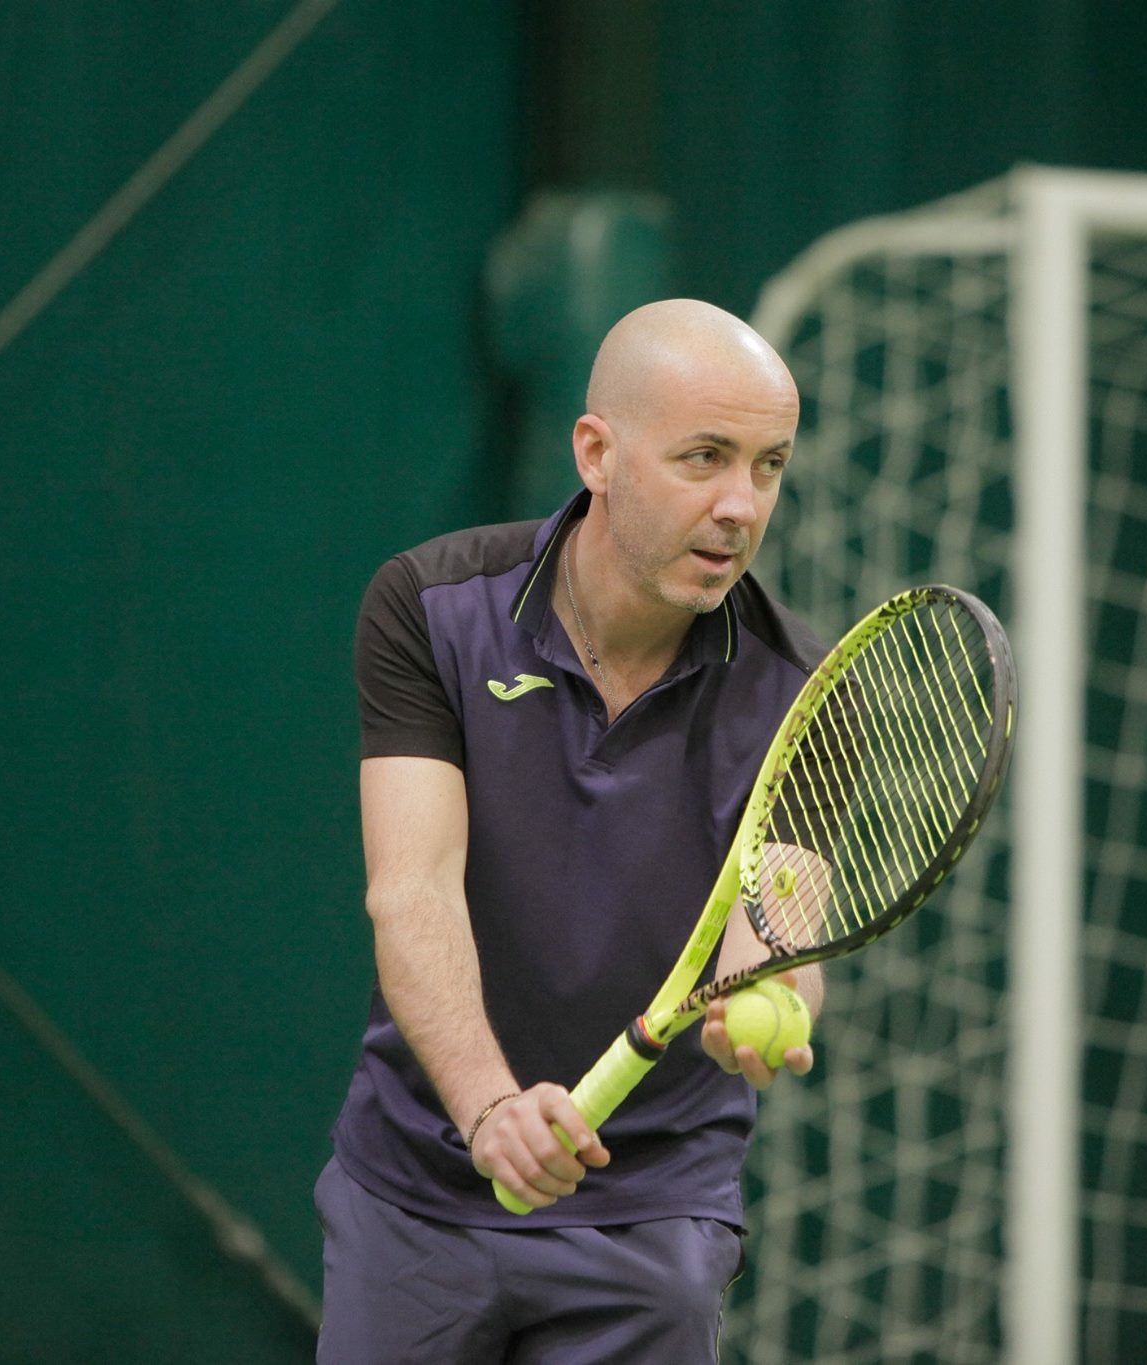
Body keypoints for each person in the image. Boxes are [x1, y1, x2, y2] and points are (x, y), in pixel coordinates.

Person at [316, 299, 828, 1363]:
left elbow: (785, 928)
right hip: (417, 1190)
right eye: (703, 458)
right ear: (596, 452)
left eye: (768, 465)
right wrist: (489, 1108)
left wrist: (768, 996)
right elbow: (410, 891)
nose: (740, 504)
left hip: (649, 1212)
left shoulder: (804, 689)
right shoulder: (428, 608)